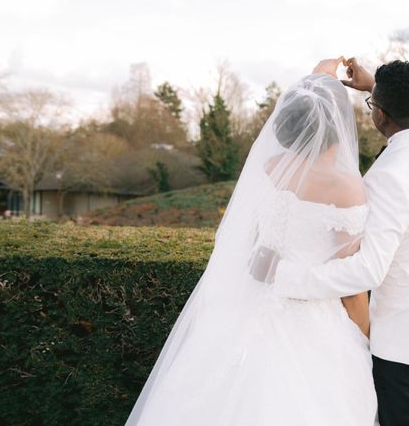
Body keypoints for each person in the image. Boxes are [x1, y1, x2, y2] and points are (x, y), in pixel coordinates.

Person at [125, 66, 378, 425]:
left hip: (247, 309)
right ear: (338, 127)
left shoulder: (269, 167)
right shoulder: (346, 187)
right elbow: (350, 285)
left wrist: (323, 71)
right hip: (315, 325)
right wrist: (368, 338)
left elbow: (255, 246)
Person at [272, 58, 409, 425]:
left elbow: (368, 269)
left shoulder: (387, 176)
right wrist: (378, 89)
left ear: (379, 114)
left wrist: (288, 278)